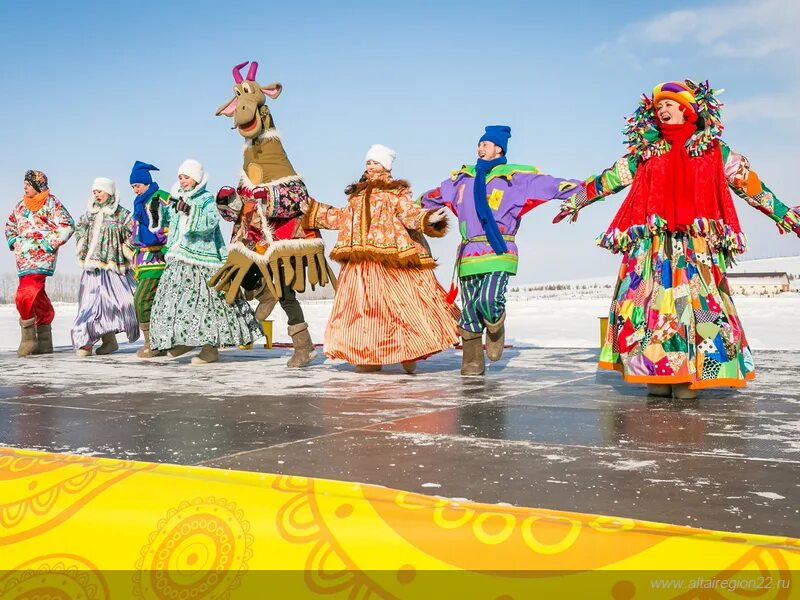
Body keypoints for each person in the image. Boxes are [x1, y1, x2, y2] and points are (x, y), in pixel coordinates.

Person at [553, 80, 800, 399]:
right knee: (649, 307)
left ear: (688, 108)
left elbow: (751, 187)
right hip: (651, 246)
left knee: (693, 307)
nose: (662, 109)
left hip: (694, 246)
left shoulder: (715, 151)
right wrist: (577, 200)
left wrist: (785, 214)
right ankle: (657, 375)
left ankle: (688, 375)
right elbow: (609, 179)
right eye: (658, 106)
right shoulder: (644, 151)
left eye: (669, 103)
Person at [420, 126, 581, 376]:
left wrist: (589, 189)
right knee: (471, 306)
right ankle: (472, 360)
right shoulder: (463, 179)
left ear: (498, 149)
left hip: (499, 247)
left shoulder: (515, 178)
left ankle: (495, 325)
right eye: (479, 144)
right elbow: (429, 198)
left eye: (485, 144)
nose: (480, 148)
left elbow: (554, 186)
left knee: (489, 298)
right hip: (469, 250)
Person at [302, 144, 458, 373]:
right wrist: (314, 210)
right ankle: (367, 357)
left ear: (385, 165)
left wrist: (427, 218)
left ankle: (409, 352)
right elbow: (343, 218)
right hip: (359, 264)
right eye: (368, 161)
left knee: (401, 308)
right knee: (361, 313)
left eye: (375, 162)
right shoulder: (357, 194)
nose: (371, 165)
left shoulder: (396, 192)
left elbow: (409, 213)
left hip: (390, 261)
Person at [149, 160, 262, 364]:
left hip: (202, 260)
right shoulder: (178, 198)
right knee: (174, 304)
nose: (182, 181)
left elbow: (210, 222)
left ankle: (210, 349)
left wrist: (191, 211)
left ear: (197, 179)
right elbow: (170, 223)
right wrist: (158, 211)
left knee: (206, 305)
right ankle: (184, 341)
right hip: (178, 258)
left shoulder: (205, 199)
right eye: (180, 177)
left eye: (187, 177)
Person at [5, 170, 75, 356]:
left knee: (25, 294)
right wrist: (14, 241)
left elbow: (68, 224)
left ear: (37, 185)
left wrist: (48, 243)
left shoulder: (51, 202)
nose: (24, 187)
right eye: (24, 184)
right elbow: (10, 225)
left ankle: (28, 338)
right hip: (23, 257)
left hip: (42, 255)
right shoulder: (20, 206)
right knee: (37, 294)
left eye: (28, 184)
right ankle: (45, 338)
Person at [71, 177, 139, 356]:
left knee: (123, 303)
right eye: (94, 191)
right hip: (92, 270)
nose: (96, 194)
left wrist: (125, 249)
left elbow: (135, 233)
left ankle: (111, 341)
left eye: (99, 191)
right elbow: (79, 229)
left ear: (109, 192)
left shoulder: (122, 215)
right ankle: (85, 343)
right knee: (90, 306)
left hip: (114, 269)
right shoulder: (89, 214)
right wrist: (83, 244)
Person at [129, 161, 173, 358]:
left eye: (137, 186)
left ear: (147, 183)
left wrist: (161, 239)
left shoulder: (159, 198)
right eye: (132, 187)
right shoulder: (140, 202)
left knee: (142, 299)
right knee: (151, 301)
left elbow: (169, 224)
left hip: (158, 258)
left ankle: (154, 343)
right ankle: (156, 343)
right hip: (143, 259)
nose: (135, 190)